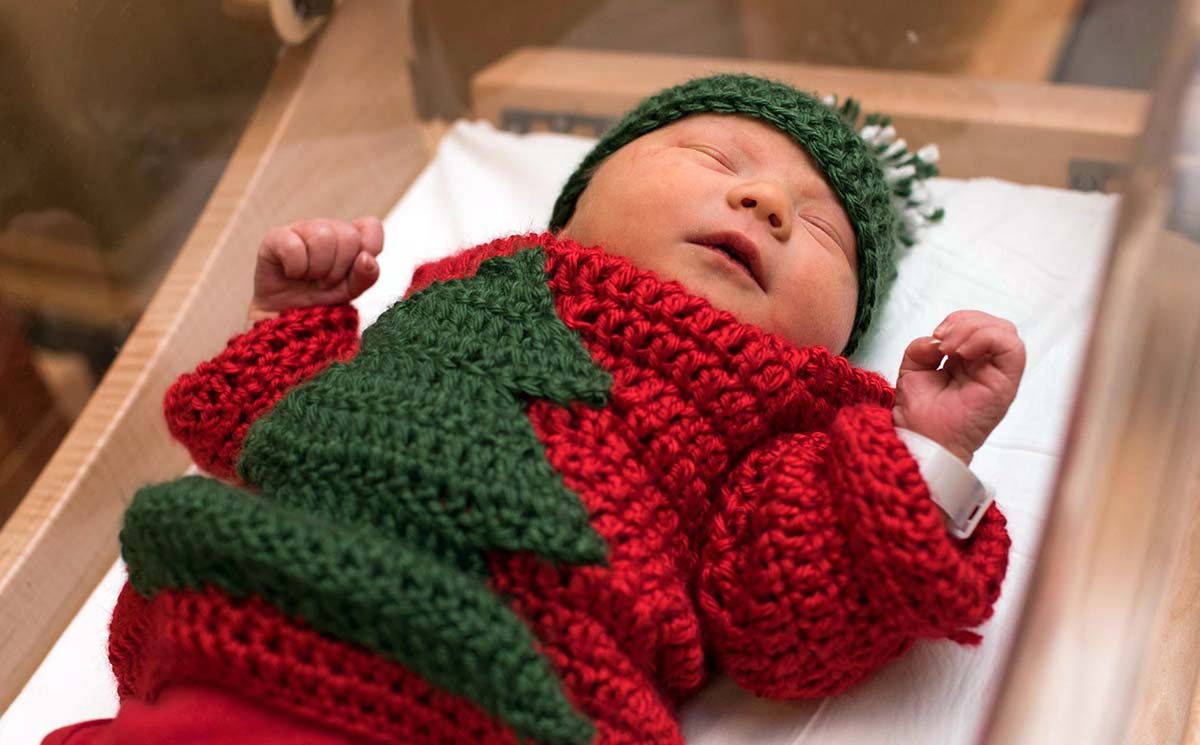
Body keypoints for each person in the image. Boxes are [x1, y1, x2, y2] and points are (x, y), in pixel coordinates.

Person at [45, 74, 1024, 745]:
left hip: (515, 692)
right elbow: (269, 430)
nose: (768, 202)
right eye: (719, 159)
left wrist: (919, 452)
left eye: (821, 231)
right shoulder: (456, 285)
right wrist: (294, 324)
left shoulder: (775, 417)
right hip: (231, 628)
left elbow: (787, 610)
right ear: (579, 201)